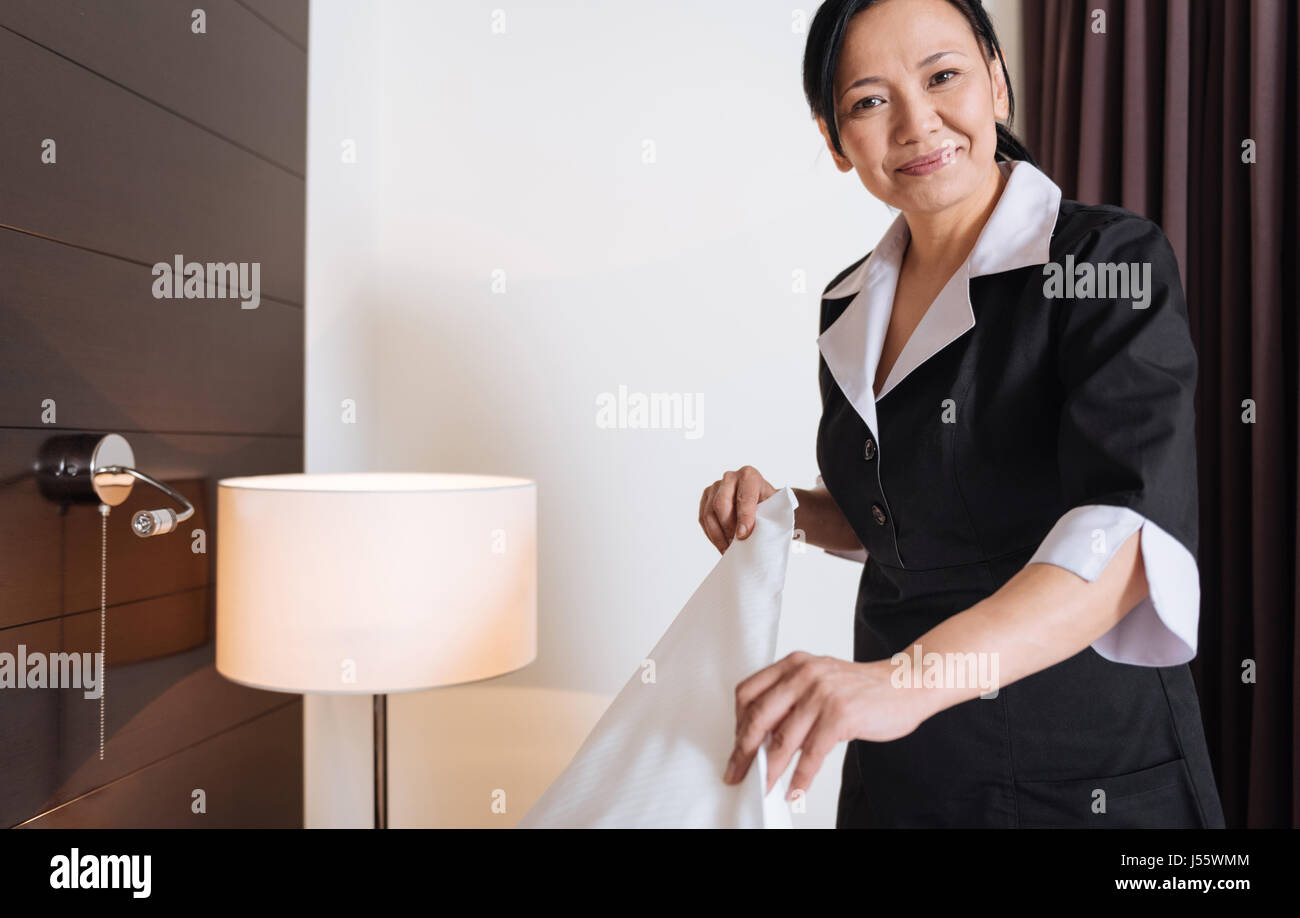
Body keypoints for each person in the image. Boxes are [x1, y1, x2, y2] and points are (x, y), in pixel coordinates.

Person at [700, 0, 1225, 828]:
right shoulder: (848, 302)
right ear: (836, 142)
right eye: (870, 101)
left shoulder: (1103, 264)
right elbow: (909, 515)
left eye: (944, 76)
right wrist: (788, 513)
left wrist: (898, 684)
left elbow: (1125, 544)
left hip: (1078, 770)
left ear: (998, 82)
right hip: (902, 771)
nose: (918, 122)